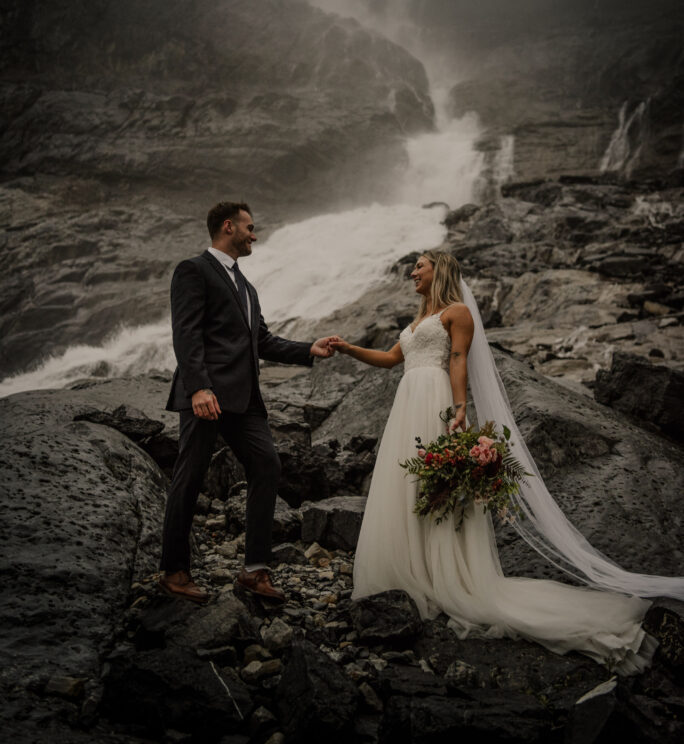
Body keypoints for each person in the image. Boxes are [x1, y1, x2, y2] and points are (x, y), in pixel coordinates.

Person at [333, 250, 684, 672]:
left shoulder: (457, 312)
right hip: (407, 402)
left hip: (434, 401)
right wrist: (347, 348)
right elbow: (392, 359)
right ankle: (411, 572)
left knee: (432, 487)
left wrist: (460, 407)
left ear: (438, 270)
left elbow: (459, 358)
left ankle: (443, 576)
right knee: (404, 487)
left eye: (419, 266)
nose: (412, 271)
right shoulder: (416, 320)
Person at [159, 200, 337, 604]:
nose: (254, 235)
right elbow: (185, 333)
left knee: (267, 466)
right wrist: (198, 388)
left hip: (245, 400)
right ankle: (174, 571)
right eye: (249, 227)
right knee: (189, 478)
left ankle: (255, 571)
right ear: (228, 227)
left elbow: (263, 341)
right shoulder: (193, 270)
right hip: (206, 396)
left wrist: (310, 347)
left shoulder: (248, 287)